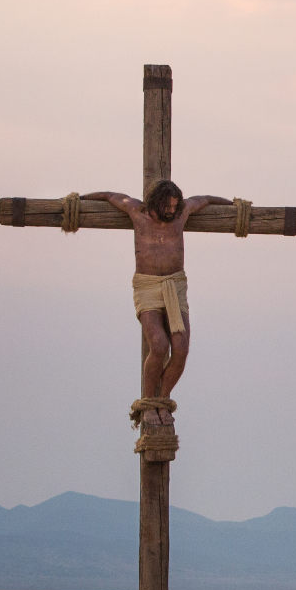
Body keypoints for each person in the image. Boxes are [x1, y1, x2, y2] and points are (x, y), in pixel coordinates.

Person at [80, 181, 232, 432]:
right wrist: (79, 199)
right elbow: (109, 195)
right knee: (159, 344)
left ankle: (162, 399)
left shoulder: (181, 213)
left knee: (181, 348)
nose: (172, 210)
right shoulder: (137, 212)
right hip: (148, 286)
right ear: (155, 203)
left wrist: (233, 204)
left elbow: (203, 199)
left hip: (175, 284)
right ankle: (149, 404)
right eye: (168, 205)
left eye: (175, 205)